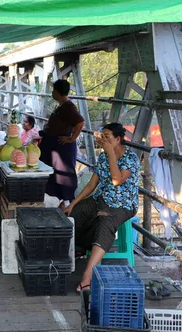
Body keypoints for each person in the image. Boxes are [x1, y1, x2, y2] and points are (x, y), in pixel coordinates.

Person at [64, 123, 140, 293]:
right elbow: (92, 184)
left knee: (106, 223)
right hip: (102, 198)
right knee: (75, 214)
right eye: (102, 136)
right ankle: (83, 246)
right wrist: (73, 204)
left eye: (107, 137)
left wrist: (111, 154)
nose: (103, 140)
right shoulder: (104, 157)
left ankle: (87, 276)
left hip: (123, 204)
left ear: (118, 139)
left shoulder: (130, 158)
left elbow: (116, 180)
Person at [39, 80, 85, 207]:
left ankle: (66, 202)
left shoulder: (69, 107)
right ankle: (57, 200)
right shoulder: (61, 106)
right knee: (54, 173)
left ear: (57, 92)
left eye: (53, 90)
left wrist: (71, 138)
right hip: (53, 145)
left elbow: (80, 122)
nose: (52, 93)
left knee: (63, 174)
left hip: (62, 146)